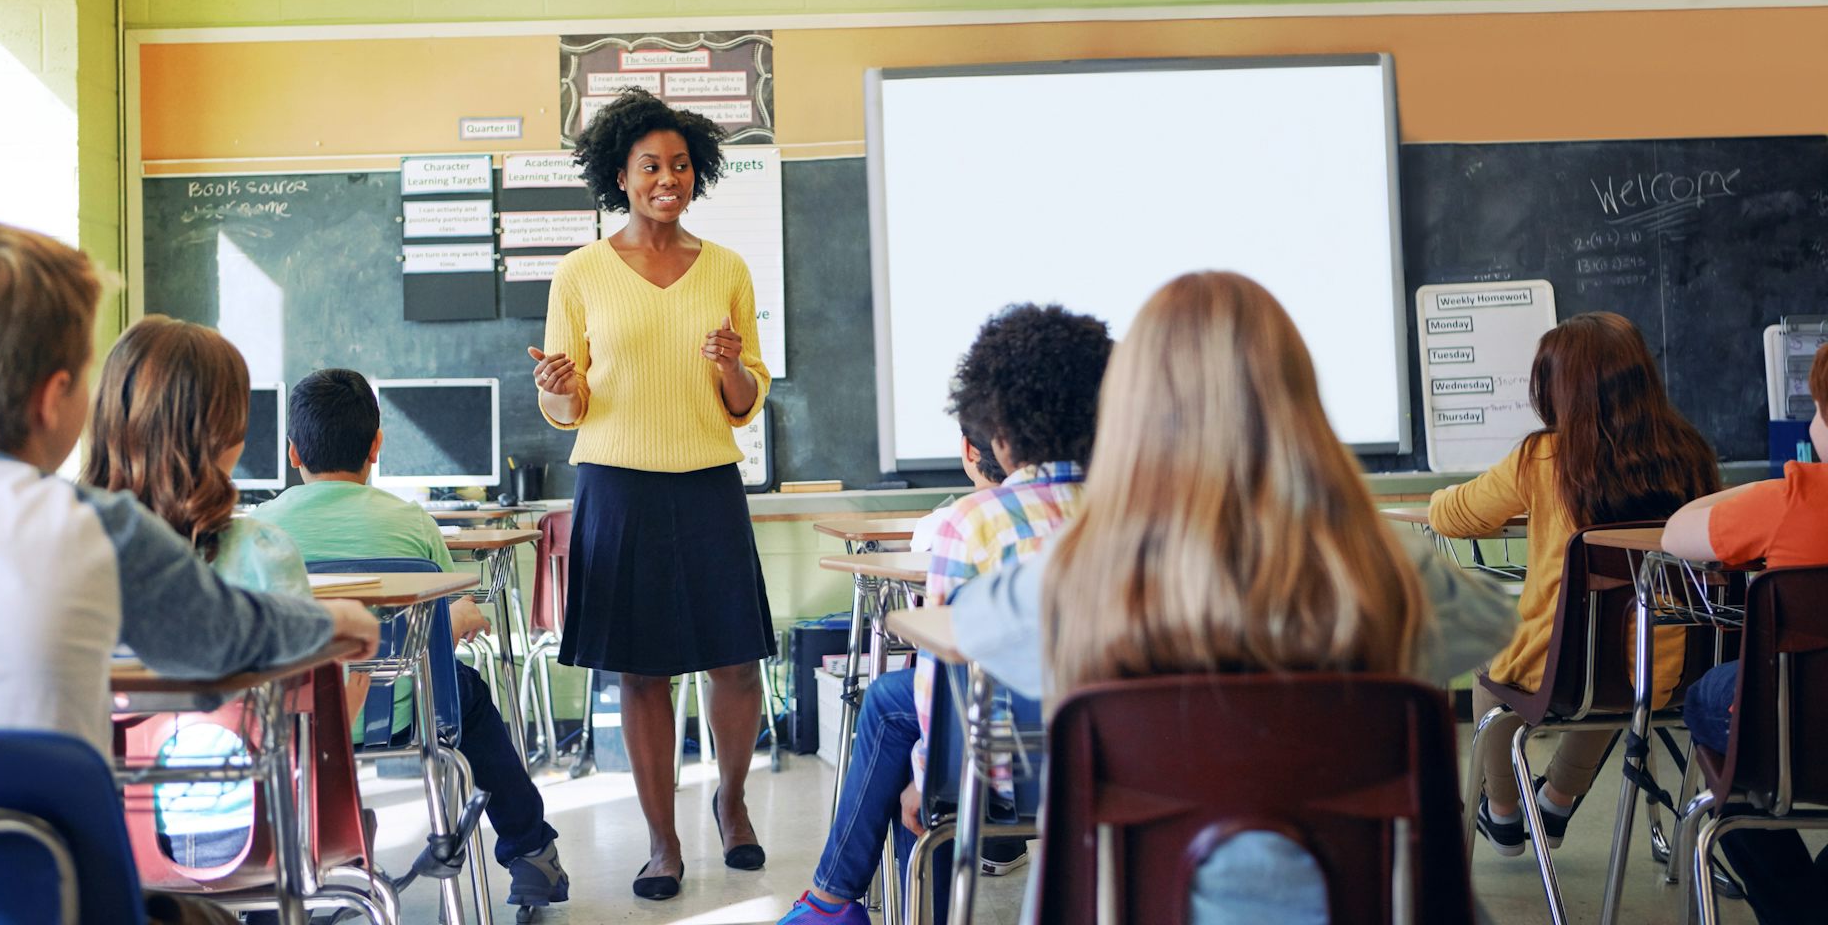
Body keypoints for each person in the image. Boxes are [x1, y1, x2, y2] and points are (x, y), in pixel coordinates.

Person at [947, 271, 1515, 924]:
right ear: (1298, 397)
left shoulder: (1067, 580)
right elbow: (1496, 622)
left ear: (1126, 410)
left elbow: (973, 621)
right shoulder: (1394, 570)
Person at [0, 221, 379, 924]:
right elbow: (221, 636)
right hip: (70, 895)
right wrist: (332, 621)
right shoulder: (96, 527)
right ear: (52, 398)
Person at [778, 302, 1113, 925]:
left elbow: (942, 677)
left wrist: (927, 779)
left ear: (999, 436)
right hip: (1120, 766)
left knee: (892, 709)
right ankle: (831, 901)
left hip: (1007, 780)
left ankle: (835, 902)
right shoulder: (1139, 516)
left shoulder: (972, 524)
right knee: (900, 711)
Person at [527, 86, 774, 900]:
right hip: (618, 485)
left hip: (706, 479)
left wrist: (732, 363)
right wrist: (561, 386)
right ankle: (662, 840)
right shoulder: (581, 271)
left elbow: (744, 399)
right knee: (642, 672)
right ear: (620, 178)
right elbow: (568, 407)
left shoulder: (728, 268)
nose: (667, 177)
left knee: (735, 663)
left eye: (680, 164)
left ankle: (731, 806)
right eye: (649, 166)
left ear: (695, 173)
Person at [253, 369, 570, 913]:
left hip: (292, 720)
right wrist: (462, 615)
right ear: (377, 445)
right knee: (465, 693)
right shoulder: (411, 524)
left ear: (292, 453)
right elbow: (444, 625)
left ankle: (306, 853)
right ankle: (530, 850)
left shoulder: (259, 529)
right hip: (404, 714)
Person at [1431, 311, 1719, 857]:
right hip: (1675, 675)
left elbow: (1455, 516)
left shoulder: (1544, 458)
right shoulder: (1690, 457)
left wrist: (1437, 500)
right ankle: (1557, 803)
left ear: (1561, 388)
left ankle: (1504, 814)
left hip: (1568, 669)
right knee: (1617, 665)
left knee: (1495, 658)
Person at [84, 315, 321, 870]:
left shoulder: (56, 545)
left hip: (88, 832)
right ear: (230, 435)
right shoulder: (264, 552)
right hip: (240, 836)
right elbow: (306, 720)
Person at [1662, 342, 1828, 925]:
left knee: (1711, 697)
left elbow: (1675, 534)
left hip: (1801, 738)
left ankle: (1798, 909)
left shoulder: (1790, 500)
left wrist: (1768, 490)